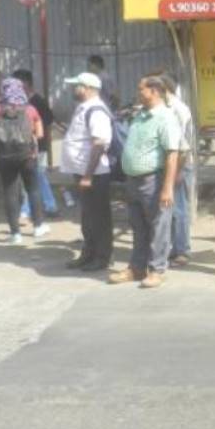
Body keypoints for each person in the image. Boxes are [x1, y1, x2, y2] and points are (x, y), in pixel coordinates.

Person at [110, 76, 181, 289]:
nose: (138, 92)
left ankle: (157, 270)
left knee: (158, 227)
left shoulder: (165, 118)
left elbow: (172, 154)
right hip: (133, 181)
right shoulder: (140, 116)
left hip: (153, 181)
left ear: (154, 92)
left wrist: (167, 188)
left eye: (141, 89)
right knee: (138, 227)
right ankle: (137, 268)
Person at [59, 71, 114, 271]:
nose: (74, 89)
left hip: (94, 174)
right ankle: (88, 253)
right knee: (87, 216)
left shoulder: (96, 110)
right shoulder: (84, 108)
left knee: (99, 217)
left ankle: (102, 257)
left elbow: (99, 144)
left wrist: (88, 176)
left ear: (89, 88)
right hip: (83, 172)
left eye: (77, 85)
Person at [0, 76, 48, 245]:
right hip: (27, 156)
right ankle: (38, 227)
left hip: (5, 157)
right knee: (33, 189)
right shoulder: (30, 109)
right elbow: (40, 134)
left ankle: (15, 234)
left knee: (10, 192)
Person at [147, 69, 195, 267]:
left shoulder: (176, 109)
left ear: (163, 88)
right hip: (172, 163)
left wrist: (177, 170)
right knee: (171, 207)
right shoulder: (169, 107)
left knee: (179, 208)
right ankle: (172, 248)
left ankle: (182, 250)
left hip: (180, 163)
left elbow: (180, 144)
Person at [11, 68, 59, 222]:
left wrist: (35, 132)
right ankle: (49, 205)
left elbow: (48, 120)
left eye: (17, 84)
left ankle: (27, 210)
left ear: (26, 84)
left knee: (33, 175)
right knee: (37, 175)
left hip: (38, 145)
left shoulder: (38, 101)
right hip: (23, 145)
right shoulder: (17, 102)